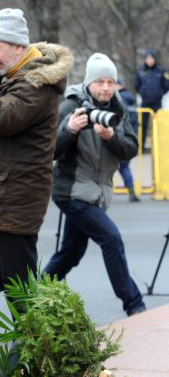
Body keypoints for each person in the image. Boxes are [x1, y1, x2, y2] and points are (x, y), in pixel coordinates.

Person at [0, 8, 73, 303]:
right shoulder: (14, 77)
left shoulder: (37, 83)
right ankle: (25, 341)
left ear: (19, 47)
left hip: (16, 200)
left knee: (18, 285)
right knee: (5, 279)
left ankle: (33, 344)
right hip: (1, 197)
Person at [43, 53, 147, 317]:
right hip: (71, 191)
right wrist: (71, 130)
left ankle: (36, 295)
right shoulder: (71, 105)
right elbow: (50, 151)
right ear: (89, 82)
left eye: (110, 82)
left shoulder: (119, 108)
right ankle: (134, 304)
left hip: (97, 192)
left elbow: (131, 149)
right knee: (111, 238)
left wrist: (111, 137)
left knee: (71, 253)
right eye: (100, 82)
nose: (105, 88)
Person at [134, 49, 169, 151]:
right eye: (147, 59)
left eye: (151, 58)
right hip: (145, 103)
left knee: (158, 126)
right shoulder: (140, 71)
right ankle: (141, 147)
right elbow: (136, 85)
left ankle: (159, 147)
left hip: (157, 103)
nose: (149, 61)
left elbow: (167, 85)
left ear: (154, 60)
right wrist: (143, 93)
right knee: (142, 126)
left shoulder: (161, 71)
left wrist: (159, 93)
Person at [116, 79, 141, 202]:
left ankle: (102, 193)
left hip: (117, 138)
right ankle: (131, 191)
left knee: (107, 166)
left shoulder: (118, 99)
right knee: (124, 166)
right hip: (130, 139)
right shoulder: (130, 98)